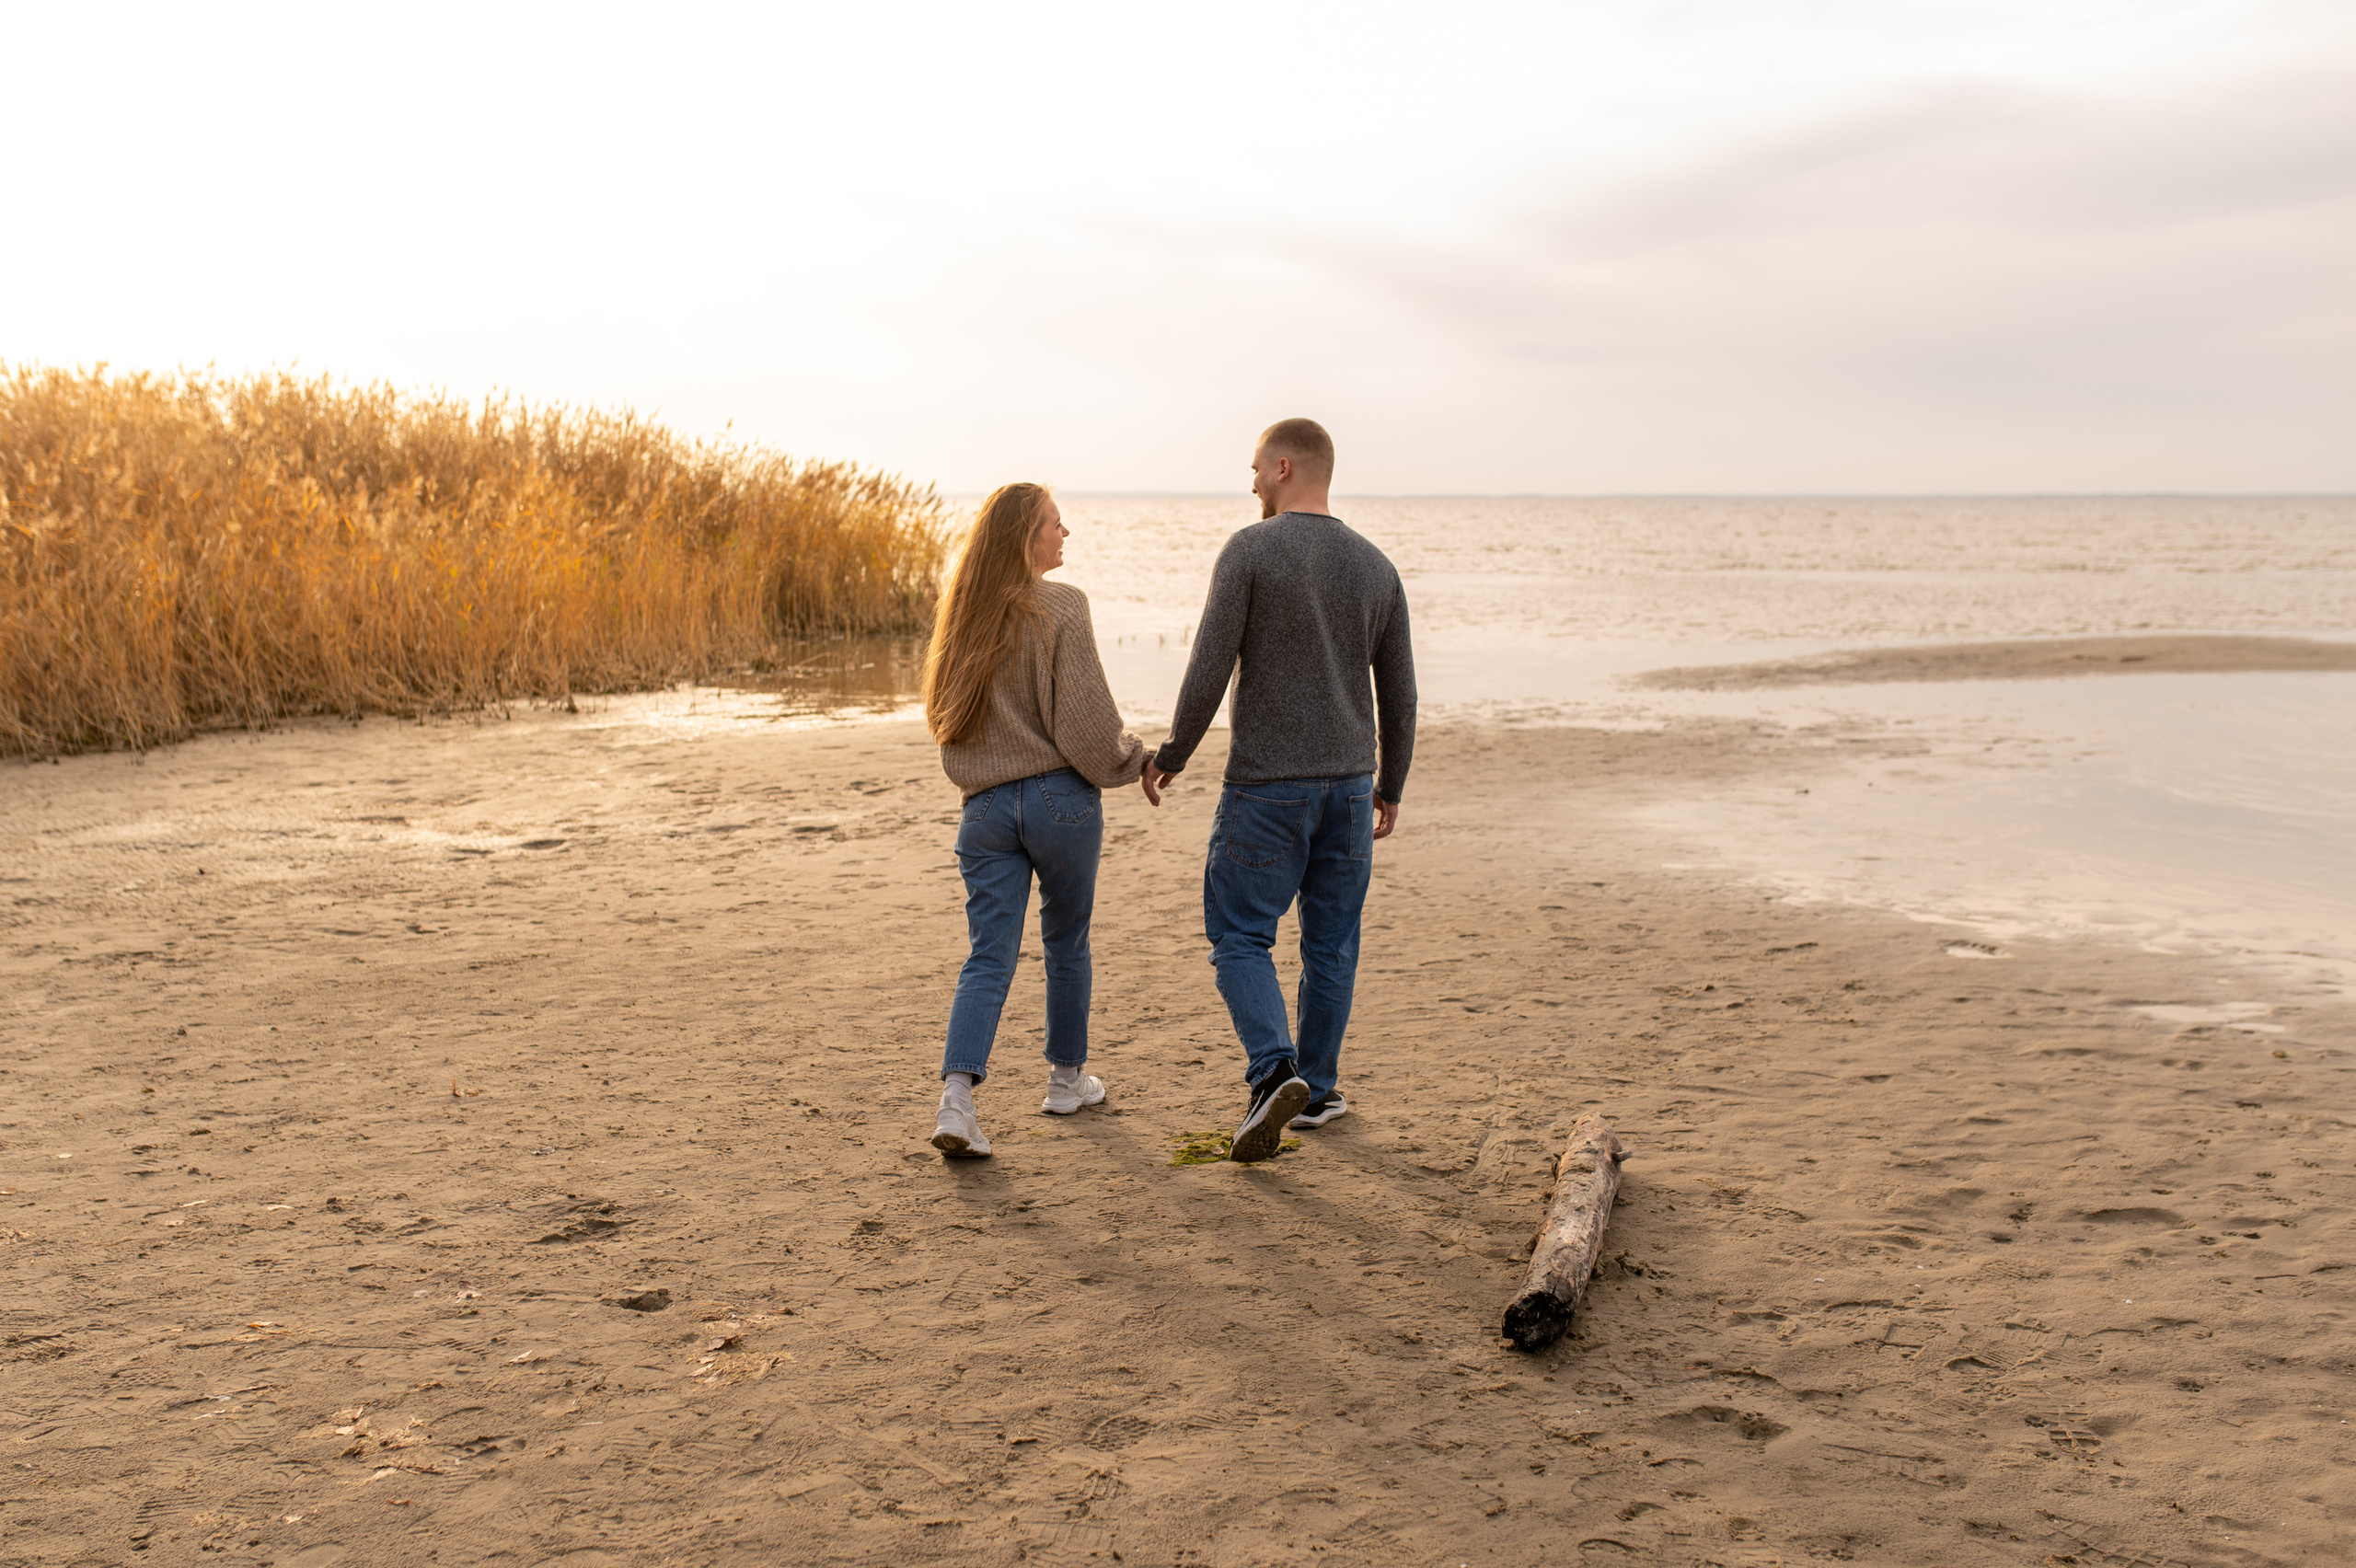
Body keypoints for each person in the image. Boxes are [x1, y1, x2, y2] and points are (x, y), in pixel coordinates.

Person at [1140, 419, 1415, 1162]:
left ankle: (1273, 1071)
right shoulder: (1377, 566)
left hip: (1267, 788)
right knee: (1331, 945)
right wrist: (1392, 782)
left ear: (1285, 466)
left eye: (1257, 468)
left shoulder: (1251, 550)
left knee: (1238, 935)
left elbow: (1209, 663)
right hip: (1351, 789)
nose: (1253, 481)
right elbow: (1400, 692)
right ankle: (1317, 1089)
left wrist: (1175, 752)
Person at [923, 483, 1147, 1158]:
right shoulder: (1062, 606)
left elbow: (945, 720)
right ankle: (1065, 1079)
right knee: (1066, 943)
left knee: (987, 956)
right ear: (1026, 535)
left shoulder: (962, 612)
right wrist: (1133, 761)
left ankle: (957, 1100)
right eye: (1055, 523)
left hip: (984, 808)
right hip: (1058, 801)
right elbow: (1086, 722)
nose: (1065, 533)